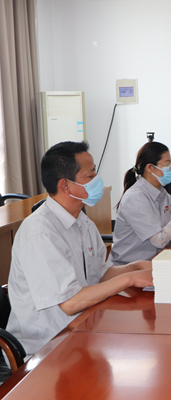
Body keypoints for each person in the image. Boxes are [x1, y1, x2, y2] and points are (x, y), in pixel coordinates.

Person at [7, 141, 153, 356]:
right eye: (90, 176)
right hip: (45, 349)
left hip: (83, 330)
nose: (97, 181)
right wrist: (129, 279)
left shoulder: (83, 222)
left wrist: (134, 267)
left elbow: (98, 274)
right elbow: (70, 303)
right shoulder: (40, 233)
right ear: (65, 185)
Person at [109, 141, 171, 265]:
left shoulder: (163, 194)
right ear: (150, 168)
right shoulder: (136, 198)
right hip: (129, 266)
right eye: (167, 164)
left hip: (156, 259)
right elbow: (160, 240)